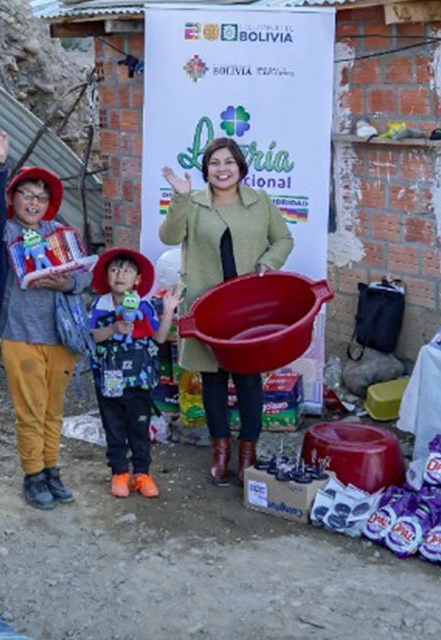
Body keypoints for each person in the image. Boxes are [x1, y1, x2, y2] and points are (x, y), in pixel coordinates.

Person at [159, 137, 294, 486]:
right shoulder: (194, 202)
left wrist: (268, 262)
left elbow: (284, 240)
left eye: (229, 162)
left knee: (249, 378)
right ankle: (220, 450)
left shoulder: (260, 201)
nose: (222, 169)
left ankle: (248, 450)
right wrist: (180, 197)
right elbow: (169, 235)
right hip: (205, 304)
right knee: (213, 378)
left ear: (240, 168)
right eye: (215, 163)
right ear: (206, 169)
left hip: (247, 307)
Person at [0, 126, 91, 510]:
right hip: (20, 334)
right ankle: (33, 474)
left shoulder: (60, 233)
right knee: (30, 411)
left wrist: (65, 284)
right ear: (14, 197)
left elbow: (85, 276)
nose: (34, 202)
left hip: (60, 336)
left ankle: (52, 470)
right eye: (26, 194)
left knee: (54, 411)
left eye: (41, 197)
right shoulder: (5, 231)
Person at [88, 248, 180, 498]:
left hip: (139, 379)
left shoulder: (145, 306)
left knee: (140, 427)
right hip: (109, 379)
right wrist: (114, 328)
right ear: (107, 276)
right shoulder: (99, 306)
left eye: (127, 270)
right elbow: (91, 337)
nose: (120, 274)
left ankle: (142, 474)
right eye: (115, 269)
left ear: (137, 279)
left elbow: (159, 338)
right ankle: (119, 473)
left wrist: (169, 310)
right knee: (114, 425)